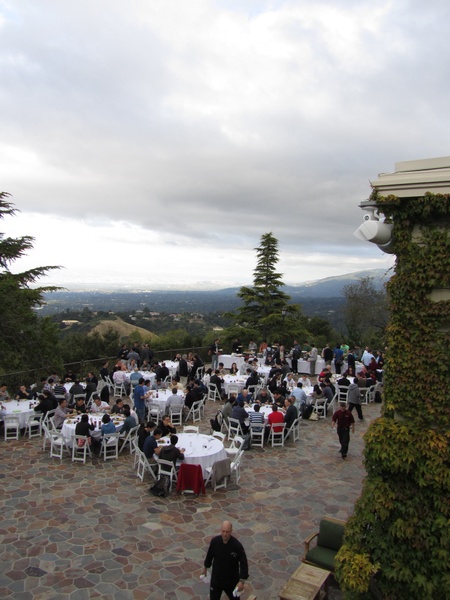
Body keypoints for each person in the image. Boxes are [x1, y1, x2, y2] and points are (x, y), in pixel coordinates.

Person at [201, 520, 249, 600]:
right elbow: (209, 556)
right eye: (223, 531)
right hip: (216, 580)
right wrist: (205, 567)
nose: (225, 534)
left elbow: (243, 563)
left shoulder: (237, 546)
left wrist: (241, 581)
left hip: (231, 581)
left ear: (231, 531)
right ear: (221, 530)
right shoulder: (215, 542)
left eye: (227, 532)